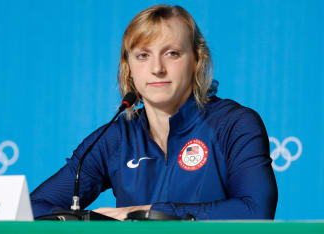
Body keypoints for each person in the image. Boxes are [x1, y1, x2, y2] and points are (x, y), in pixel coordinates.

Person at [30, 4, 278, 220]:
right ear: (129, 69)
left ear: (197, 61)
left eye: (172, 53)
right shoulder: (115, 138)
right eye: (143, 55)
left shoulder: (234, 124)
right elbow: (33, 208)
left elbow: (255, 211)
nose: (157, 68)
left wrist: (147, 214)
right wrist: (92, 221)